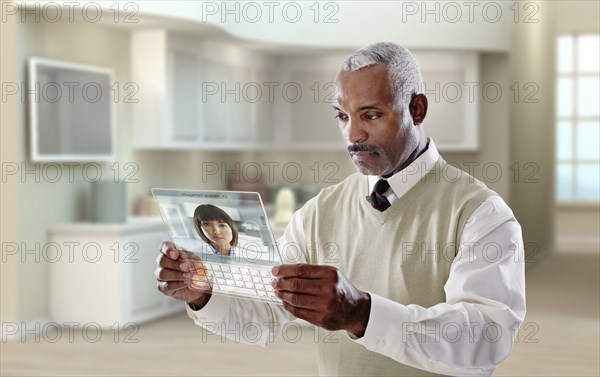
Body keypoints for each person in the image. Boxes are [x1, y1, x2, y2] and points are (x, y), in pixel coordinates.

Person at [155, 42, 526, 376]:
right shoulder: (319, 213)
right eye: (343, 117)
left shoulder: (481, 213)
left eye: (370, 115)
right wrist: (203, 295)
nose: (352, 135)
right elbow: (265, 319)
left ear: (416, 109)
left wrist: (363, 314)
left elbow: (486, 337)